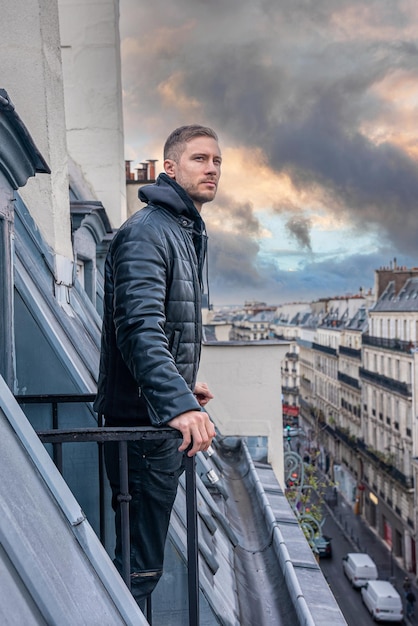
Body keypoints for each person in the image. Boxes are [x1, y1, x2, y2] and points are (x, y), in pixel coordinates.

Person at [93, 124, 221, 610]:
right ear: (169, 168)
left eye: (217, 161)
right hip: (141, 430)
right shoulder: (149, 233)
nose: (211, 169)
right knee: (139, 569)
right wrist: (178, 405)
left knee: (141, 563)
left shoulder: (178, 230)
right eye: (199, 159)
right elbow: (139, 329)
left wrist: (186, 390)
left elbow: (163, 329)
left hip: (152, 422)